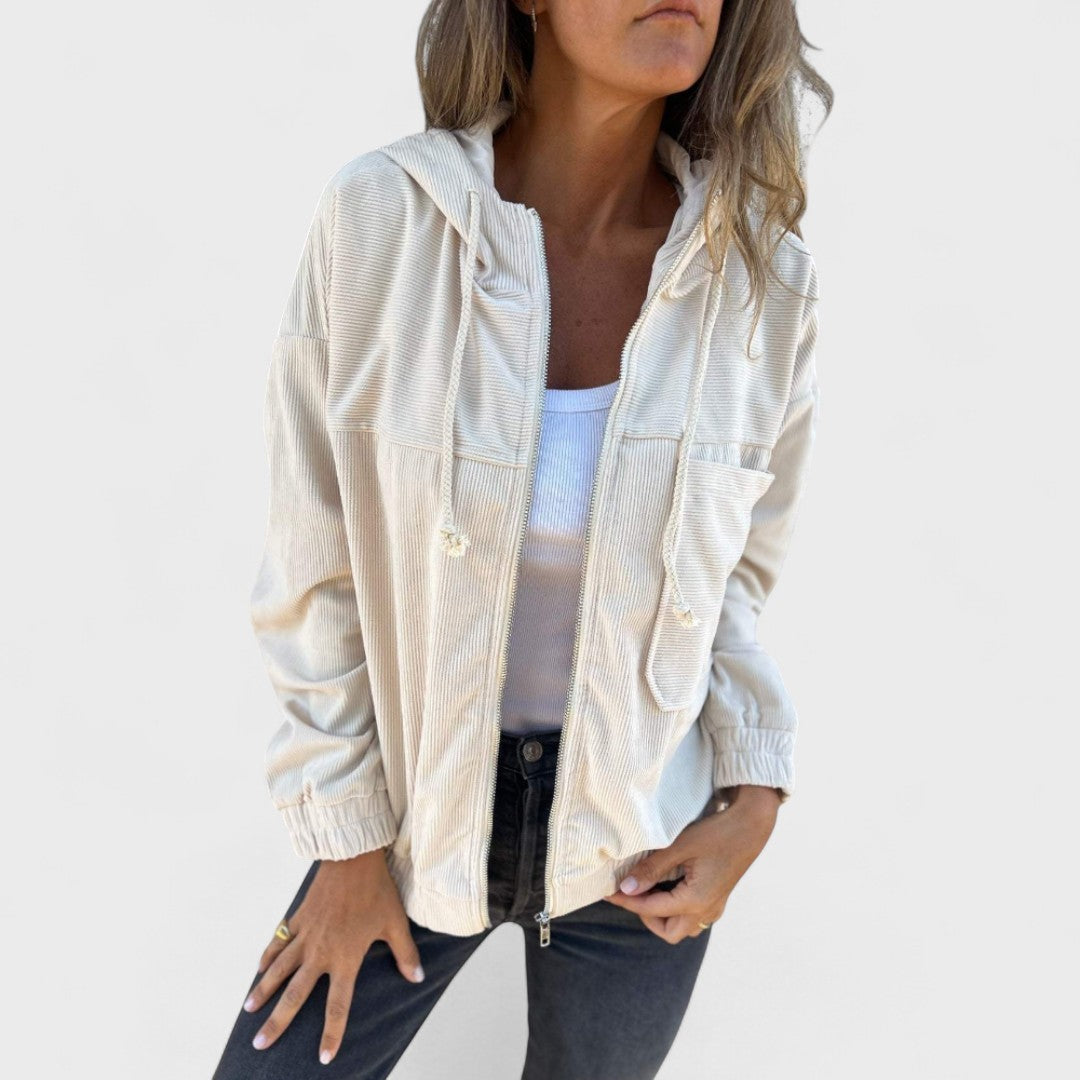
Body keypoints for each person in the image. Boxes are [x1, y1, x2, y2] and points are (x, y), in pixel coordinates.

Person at [212, 1, 832, 1076]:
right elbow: (315, 562)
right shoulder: (387, 217)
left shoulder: (762, 276)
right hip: (410, 828)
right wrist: (346, 846)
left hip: (643, 850)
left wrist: (755, 797)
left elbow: (734, 583)